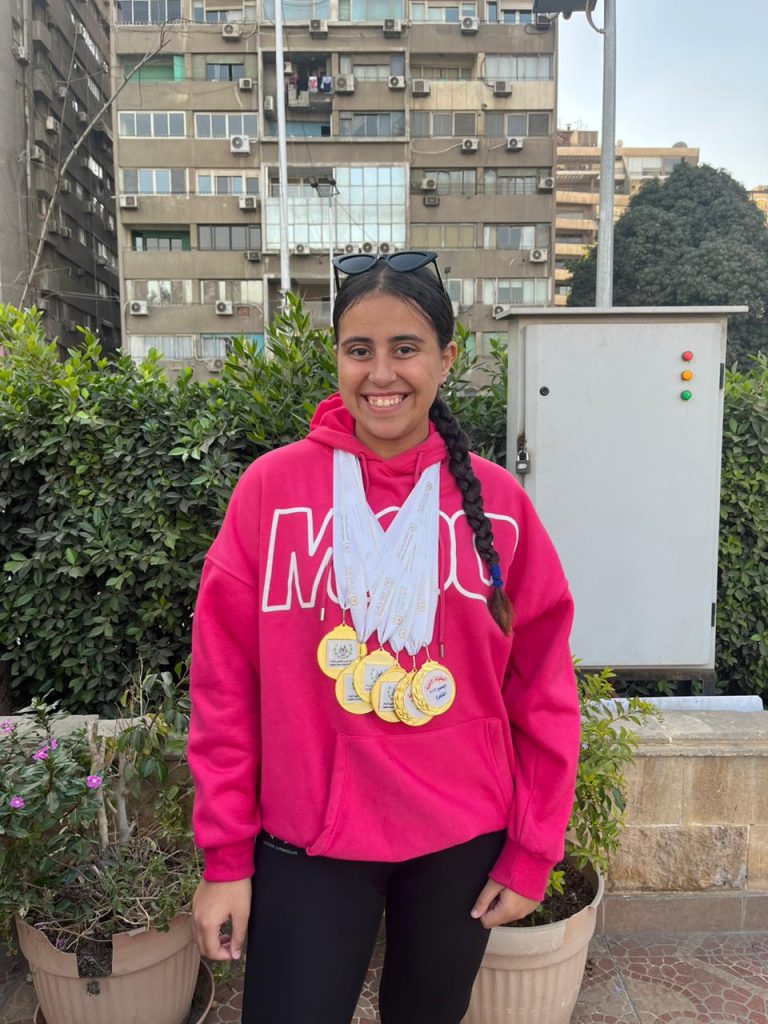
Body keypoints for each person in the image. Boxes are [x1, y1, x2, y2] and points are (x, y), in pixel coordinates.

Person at [187, 250, 580, 1024]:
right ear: (336, 357)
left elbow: (542, 687)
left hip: (461, 841)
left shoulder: (499, 506)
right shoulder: (271, 492)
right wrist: (225, 857)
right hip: (309, 838)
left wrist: (533, 848)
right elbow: (224, 686)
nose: (381, 373)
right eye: (358, 349)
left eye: (406, 348)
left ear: (446, 359)